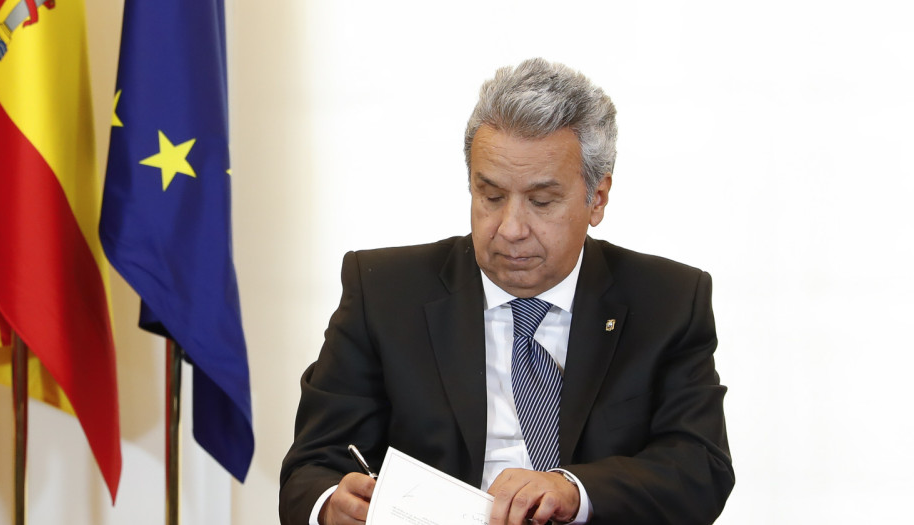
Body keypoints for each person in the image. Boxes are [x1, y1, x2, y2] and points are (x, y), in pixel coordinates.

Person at [279, 58, 734, 525]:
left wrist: (574, 490)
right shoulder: (384, 291)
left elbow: (700, 467)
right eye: (491, 196)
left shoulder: (668, 300)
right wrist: (331, 506)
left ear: (596, 198)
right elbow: (311, 468)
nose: (510, 229)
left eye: (541, 201)